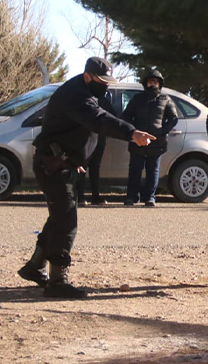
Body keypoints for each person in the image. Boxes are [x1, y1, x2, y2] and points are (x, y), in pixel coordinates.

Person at [17, 57, 154, 298]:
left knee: (58, 218)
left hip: (60, 162)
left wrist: (75, 160)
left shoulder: (84, 91)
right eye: (102, 81)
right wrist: (131, 132)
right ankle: (57, 282)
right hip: (53, 165)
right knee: (66, 221)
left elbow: (77, 130)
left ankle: (35, 267)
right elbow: (99, 120)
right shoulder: (76, 95)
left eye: (108, 81)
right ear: (87, 76)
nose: (106, 86)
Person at [121, 69, 178, 207]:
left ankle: (150, 198)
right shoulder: (137, 98)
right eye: (150, 82)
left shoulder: (165, 99)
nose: (153, 84)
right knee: (135, 170)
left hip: (156, 141)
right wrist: (133, 131)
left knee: (153, 171)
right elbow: (126, 116)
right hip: (138, 140)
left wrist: (162, 131)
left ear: (159, 84)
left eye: (155, 82)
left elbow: (173, 118)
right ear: (145, 83)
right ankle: (132, 197)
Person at [76, 90, 115, 206]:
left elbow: (113, 118)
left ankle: (95, 196)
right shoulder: (83, 100)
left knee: (95, 168)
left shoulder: (103, 101)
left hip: (99, 139)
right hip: (84, 139)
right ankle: (80, 196)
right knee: (82, 167)